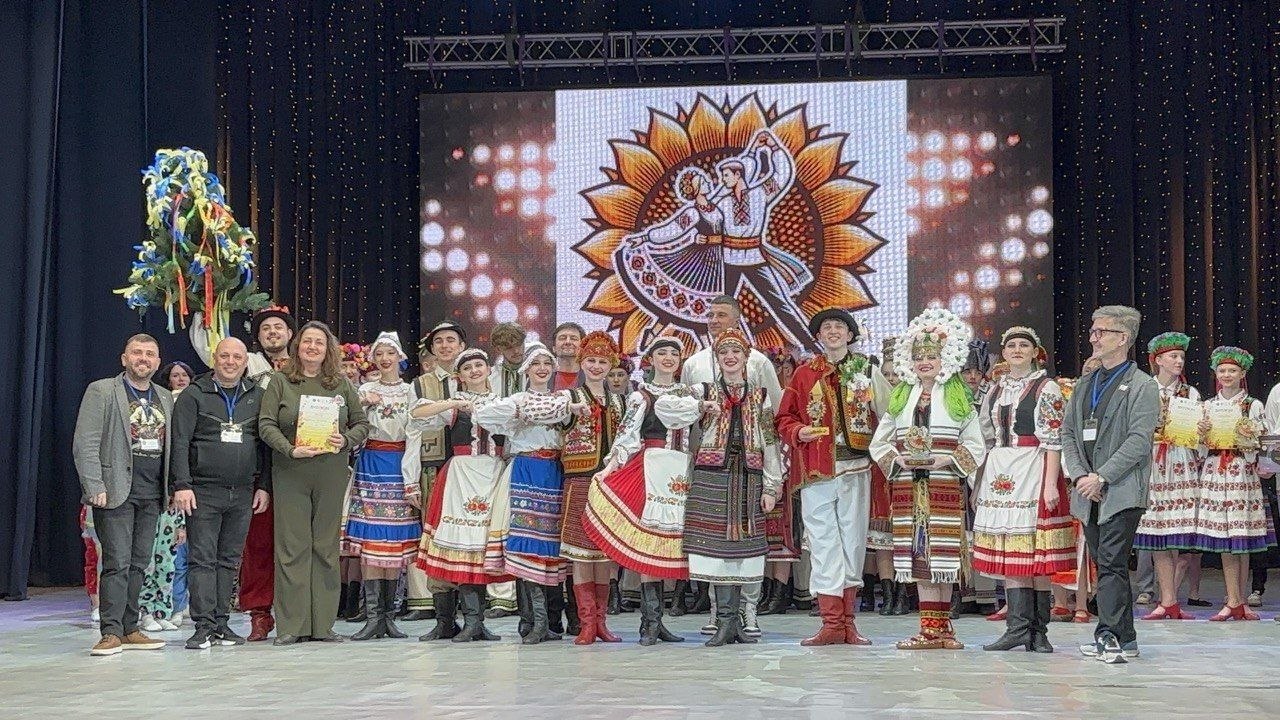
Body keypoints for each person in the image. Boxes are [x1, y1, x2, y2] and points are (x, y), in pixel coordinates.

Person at [869, 309, 986, 650]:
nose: (924, 362)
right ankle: (929, 629)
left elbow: (976, 444)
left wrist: (948, 459)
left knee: (943, 558)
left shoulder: (957, 396)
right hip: (909, 487)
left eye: (931, 357)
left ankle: (943, 629)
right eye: (919, 357)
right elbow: (879, 442)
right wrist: (897, 460)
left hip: (944, 484)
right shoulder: (901, 397)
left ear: (944, 360)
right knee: (918, 556)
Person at [775, 307, 890, 646]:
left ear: (850, 335)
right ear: (819, 336)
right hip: (816, 470)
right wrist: (798, 432)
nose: (834, 332)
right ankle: (831, 623)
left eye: (840, 326)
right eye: (827, 327)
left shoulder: (867, 370)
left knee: (853, 543)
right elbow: (783, 419)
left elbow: (889, 415)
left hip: (857, 467)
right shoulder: (803, 374)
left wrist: (884, 450)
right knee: (824, 543)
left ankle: (848, 623)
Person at [583, 337, 702, 645]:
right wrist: (610, 469)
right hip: (651, 469)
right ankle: (649, 622)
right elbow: (627, 435)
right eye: (662, 353)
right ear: (651, 359)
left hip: (681, 470)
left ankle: (658, 622)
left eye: (674, 353)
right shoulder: (641, 396)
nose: (668, 357)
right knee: (651, 541)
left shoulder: (692, 394)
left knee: (669, 546)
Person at [258, 320, 370, 645]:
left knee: (325, 547)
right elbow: (265, 424)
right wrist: (289, 448)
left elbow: (361, 423)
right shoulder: (280, 381)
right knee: (292, 548)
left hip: (330, 471)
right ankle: (292, 626)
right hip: (291, 470)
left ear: (328, 349)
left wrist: (345, 440)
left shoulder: (341, 384)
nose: (312, 347)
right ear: (297, 346)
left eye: (319, 342)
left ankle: (323, 625)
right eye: (307, 341)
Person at [1061, 305, 1160, 664]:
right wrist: (1080, 476)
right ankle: (1126, 638)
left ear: (1123, 338)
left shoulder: (1142, 385)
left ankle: (1108, 635)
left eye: (1101, 332)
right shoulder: (1085, 383)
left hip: (1120, 490)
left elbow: (1138, 441)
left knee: (1112, 562)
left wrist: (1101, 476)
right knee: (1105, 564)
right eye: (1093, 331)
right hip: (1088, 490)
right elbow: (1068, 433)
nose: (1094, 338)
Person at [192, 303, 296, 642]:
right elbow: (207, 346)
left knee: (297, 544)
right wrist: (206, 307)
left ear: (290, 333)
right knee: (257, 545)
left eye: (278, 327)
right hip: (259, 466)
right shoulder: (247, 363)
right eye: (266, 328)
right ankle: (259, 613)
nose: (272, 333)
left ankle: (297, 612)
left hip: (298, 466)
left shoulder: (303, 366)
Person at [680, 295, 782, 635]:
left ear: (746, 356)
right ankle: (718, 612)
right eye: (724, 352)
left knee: (749, 545)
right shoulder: (701, 386)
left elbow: (771, 440)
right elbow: (673, 409)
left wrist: (772, 485)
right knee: (713, 546)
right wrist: (698, 407)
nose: (730, 357)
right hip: (711, 474)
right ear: (716, 356)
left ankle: (749, 611)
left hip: (749, 475)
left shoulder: (760, 396)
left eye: (736, 351)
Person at [971, 327, 1074, 653]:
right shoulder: (996, 390)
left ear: (1035, 352)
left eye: (1023, 345)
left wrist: (1050, 485)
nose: (1017, 350)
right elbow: (986, 438)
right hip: (1001, 471)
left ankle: (1038, 631)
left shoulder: (1047, 388)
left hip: (1033, 468)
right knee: (1010, 550)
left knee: (1034, 551)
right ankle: (1018, 628)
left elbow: (1054, 439)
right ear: (1003, 353)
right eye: (1011, 345)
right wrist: (979, 482)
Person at [73, 334, 174, 656]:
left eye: (150, 354)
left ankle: (130, 628)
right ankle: (110, 631)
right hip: (115, 490)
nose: (143, 358)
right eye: (137, 352)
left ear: (157, 362)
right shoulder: (102, 390)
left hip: (152, 492)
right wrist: (94, 485)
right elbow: (85, 442)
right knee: (117, 562)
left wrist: (171, 488)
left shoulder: (165, 396)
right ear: (124, 358)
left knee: (139, 564)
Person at [169, 337, 269, 649]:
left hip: (243, 492)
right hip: (202, 491)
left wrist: (263, 486)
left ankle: (222, 623)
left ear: (245, 362)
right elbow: (179, 442)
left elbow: (265, 446)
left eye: (237, 357)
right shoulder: (193, 394)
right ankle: (203, 626)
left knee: (229, 560)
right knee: (202, 559)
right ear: (215, 358)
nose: (230, 362)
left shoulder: (257, 396)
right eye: (224, 356)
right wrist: (182, 484)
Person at [473, 343, 575, 644]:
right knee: (527, 541)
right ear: (526, 369)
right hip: (527, 469)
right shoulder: (517, 400)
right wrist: (519, 414)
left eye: (546, 363)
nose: (542, 368)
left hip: (554, 470)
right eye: (536, 363)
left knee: (550, 546)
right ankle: (533, 620)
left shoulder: (562, 398)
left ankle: (547, 622)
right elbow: (483, 415)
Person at [409, 348, 510, 642]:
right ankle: (445, 623)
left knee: (479, 547)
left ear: (488, 369)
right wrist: (454, 401)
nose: (474, 371)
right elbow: (416, 413)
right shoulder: (454, 405)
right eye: (468, 368)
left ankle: (475, 622)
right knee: (452, 542)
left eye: (479, 365)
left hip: (491, 475)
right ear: (460, 376)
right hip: (460, 477)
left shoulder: (501, 403)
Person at [1188, 347, 1274, 621]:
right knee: (1225, 539)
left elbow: (1262, 444)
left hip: (1241, 472)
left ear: (1242, 373)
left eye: (1232, 371)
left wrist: (1248, 439)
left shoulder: (1252, 405)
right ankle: (1233, 599)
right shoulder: (1208, 406)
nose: (1226, 375)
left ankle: (1239, 600)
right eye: (1222, 370)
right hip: (1215, 471)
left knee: (1241, 536)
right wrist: (1202, 436)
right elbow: (1200, 449)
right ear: (1216, 373)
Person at [344, 332, 419, 641]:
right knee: (373, 541)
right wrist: (361, 403)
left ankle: (389, 616)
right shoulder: (364, 390)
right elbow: (349, 424)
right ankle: (374, 616)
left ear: (400, 357)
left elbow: (414, 432)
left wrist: (411, 477)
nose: (385, 359)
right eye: (380, 353)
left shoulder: (411, 391)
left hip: (399, 465)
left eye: (390, 353)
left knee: (394, 542)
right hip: (372, 463)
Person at [558, 331, 627, 645]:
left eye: (602, 361)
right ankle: (587, 623)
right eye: (591, 360)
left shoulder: (621, 401)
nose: (597, 366)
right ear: (581, 362)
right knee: (582, 554)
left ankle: (601, 622)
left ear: (611, 365)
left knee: (604, 554)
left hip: (610, 483)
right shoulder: (570, 398)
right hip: (579, 479)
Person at [1131, 332, 1202, 620]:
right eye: (1173, 356)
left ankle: (1170, 598)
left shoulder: (1190, 393)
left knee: (1176, 534)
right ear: (1158, 360)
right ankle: (1167, 599)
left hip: (1181, 462)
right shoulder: (1143, 389)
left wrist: (1201, 430)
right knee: (1157, 533)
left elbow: (1198, 436)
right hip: (1152, 463)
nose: (1179, 361)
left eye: (1181, 357)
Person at [402, 322, 468, 622]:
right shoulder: (421, 384)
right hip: (434, 467)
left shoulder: (476, 377)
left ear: (462, 346)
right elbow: (413, 432)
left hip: (470, 469)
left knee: (468, 533)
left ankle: (472, 612)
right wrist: (410, 479)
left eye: (451, 340)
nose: (445, 345)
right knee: (436, 536)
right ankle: (443, 616)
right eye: (438, 341)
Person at [552, 322, 585, 391]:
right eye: (562, 338)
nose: (568, 342)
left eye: (573, 338)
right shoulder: (540, 378)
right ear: (554, 348)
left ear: (582, 347)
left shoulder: (595, 379)